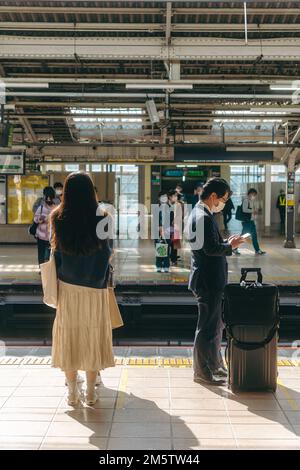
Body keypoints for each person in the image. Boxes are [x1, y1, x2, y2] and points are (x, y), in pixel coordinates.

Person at [50, 172, 115, 406]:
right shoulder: (103, 217)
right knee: (92, 336)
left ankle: (71, 393)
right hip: (95, 287)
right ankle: (90, 392)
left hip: (67, 287)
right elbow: (108, 252)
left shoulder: (57, 217)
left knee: (69, 337)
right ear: (91, 192)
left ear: (66, 192)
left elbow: (55, 252)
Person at [187, 177, 244, 385]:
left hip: (208, 278)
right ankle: (202, 372)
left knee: (214, 327)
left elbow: (209, 244)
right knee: (207, 329)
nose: (224, 203)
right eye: (223, 199)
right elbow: (209, 249)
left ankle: (212, 366)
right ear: (213, 196)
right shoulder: (202, 217)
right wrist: (231, 246)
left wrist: (225, 243)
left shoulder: (200, 213)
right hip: (208, 280)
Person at [33, 186, 57, 265]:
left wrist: (51, 219)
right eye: (47, 197)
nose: (48, 199)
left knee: (51, 254)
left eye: (50, 197)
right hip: (41, 235)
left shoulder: (56, 208)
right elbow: (35, 218)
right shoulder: (41, 207)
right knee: (41, 253)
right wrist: (40, 219)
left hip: (52, 236)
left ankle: (50, 269)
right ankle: (41, 268)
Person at [241, 188, 266, 255]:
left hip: (251, 221)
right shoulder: (246, 200)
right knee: (243, 236)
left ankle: (257, 250)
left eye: (255, 195)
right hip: (247, 221)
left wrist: (254, 211)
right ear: (250, 193)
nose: (254, 196)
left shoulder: (250, 201)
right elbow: (244, 210)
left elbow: (249, 210)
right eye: (254, 194)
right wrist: (253, 211)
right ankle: (234, 248)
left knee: (254, 236)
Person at [156, 192, 171, 273]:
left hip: (167, 230)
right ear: (159, 198)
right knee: (159, 247)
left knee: (167, 248)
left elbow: (172, 219)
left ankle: (166, 265)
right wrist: (159, 227)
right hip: (158, 231)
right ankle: (159, 265)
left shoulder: (170, 207)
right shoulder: (156, 208)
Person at [167, 189, 179, 266]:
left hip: (176, 227)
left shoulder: (177, 205)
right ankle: (166, 259)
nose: (176, 197)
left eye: (176, 196)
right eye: (174, 196)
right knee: (168, 243)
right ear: (170, 197)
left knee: (175, 244)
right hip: (167, 227)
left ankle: (174, 259)